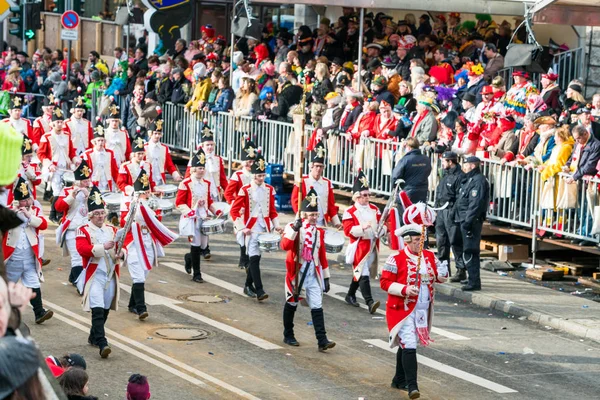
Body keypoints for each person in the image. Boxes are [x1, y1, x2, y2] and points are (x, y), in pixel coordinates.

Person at [380, 218, 448, 398]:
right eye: (417, 240)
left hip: (421, 310)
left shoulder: (429, 256)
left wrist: (443, 272)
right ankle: (412, 387)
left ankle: (398, 379)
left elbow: (439, 279)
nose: (420, 243)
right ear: (407, 240)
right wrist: (404, 289)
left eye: (421, 239)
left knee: (407, 343)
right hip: (402, 309)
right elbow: (385, 282)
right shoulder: (396, 258)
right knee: (409, 343)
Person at [280, 188, 335, 351]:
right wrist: (294, 230)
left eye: (316, 215)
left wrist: (326, 276)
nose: (314, 218)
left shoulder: (319, 232)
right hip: (296, 274)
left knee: (317, 306)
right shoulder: (293, 227)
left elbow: (322, 255)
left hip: (313, 275)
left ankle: (322, 339)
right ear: (304, 214)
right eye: (311, 215)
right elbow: (285, 246)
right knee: (292, 303)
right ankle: (288, 334)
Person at [122, 169, 178, 320]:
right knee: (138, 276)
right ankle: (141, 308)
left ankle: (132, 304)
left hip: (148, 241)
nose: (147, 194)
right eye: (144, 192)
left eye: (147, 191)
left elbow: (157, 221)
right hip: (134, 242)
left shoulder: (151, 203)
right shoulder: (130, 204)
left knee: (143, 275)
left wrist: (154, 207)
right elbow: (123, 222)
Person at [230, 152, 283, 300]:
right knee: (253, 257)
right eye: (259, 176)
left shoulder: (270, 189)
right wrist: (242, 227)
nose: (262, 178)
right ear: (253, 176)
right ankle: (259, 290)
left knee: (256, 258)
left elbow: (272, 211)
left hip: (263, 228)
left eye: (263, 175)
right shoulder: (245, 189)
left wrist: (277, 226)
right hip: (250, 228)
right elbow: (234, 210)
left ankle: (248, 285)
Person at [76, 186, 120, 358]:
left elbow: (120, 250)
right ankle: (102, 343)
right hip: (94, 275)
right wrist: (103, 247)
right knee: (98, 308)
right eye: (97, 214)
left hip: (110, 275)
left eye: (102, 213)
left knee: (106, 307)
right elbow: (82, 249)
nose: (101, 216)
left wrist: (121, 253)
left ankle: (94, 336)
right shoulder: (84, 229)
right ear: (91, 215)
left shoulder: (112, 230)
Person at [3, 177, 53, 324]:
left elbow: (43, 225)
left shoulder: (35, 210)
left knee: (34, 284)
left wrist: (29, 215)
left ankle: (39, 312)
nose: (26, 203)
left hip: (30, 257)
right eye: (23, 200)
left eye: (27, 199)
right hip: (13, 258)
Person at [175, 149, 223, 282]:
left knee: (203, 246)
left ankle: (189, 258)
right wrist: (190, 212)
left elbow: (209, 201)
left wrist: (216, 211)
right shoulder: (185, 183)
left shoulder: (206, 184)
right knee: (195, 245)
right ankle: (197, 274)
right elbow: (179, 203)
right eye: (199, 168)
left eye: (203, 168)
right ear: (193, 169)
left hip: (204, 217)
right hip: (192, 219)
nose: (201, 170)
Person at [342, 171, 383, 314]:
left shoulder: (375, 209)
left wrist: (381, 231)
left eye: (368, 195)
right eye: (364, 195)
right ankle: (370, 302)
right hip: (359, 246)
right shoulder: (350, 211)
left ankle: (350, 294)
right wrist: (361, 228)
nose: (367, 198)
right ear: (357, 196)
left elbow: (382, 226)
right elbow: (347, 231)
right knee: (363, 272)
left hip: (372, 245)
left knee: (358, 272)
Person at [55, 160, 93, 287]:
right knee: (76, 257)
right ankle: (79, 284)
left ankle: (73, 277)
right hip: (72, 228)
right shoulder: (67, 190)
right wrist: (71, 196)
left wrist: (90, 198)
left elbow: (99, 210)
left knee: (86, 255)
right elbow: (58, 207)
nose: (87, 183)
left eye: (88, 180)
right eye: (84, 181)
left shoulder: (93, 191)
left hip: (88, 229)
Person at [455, 156, 489, 291]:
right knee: (467, 250)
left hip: (471, 221)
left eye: (466, 164)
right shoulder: (469, 179)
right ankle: (471, 278)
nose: (464, 166)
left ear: (473, 165)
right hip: (464, 219)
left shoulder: (478, 181)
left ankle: (474, 281)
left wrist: (468, 221)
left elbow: (475, 204)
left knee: (470, 250)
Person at [37, 107, 77, 223]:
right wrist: (49, 165)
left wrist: (75, 160)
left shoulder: (67, 135)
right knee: (57, 191)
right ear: (52, 124)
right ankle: (54, 213)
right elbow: (41, 153)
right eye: (57, 122)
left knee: (65, 190)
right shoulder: (46, 137)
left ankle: (58, 213)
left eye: (61, 122)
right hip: (53, 168)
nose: (59, 124)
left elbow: (71, 152)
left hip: (66, 167)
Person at [291, 141, 341, 228]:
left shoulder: (327, 183)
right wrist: (302, 217)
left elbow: (331, 205)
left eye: (321, 166)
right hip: (305, 222)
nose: (318, 169)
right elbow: (295, 202)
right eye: (316, 166)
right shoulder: (302, 181)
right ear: (311, 166)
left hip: (322, 223)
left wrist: (337, 222)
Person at [224, 138, 257, 270]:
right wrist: (236, 205)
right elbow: (228, 193)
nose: (250, 164)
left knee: (251, 234)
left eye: (252, 161)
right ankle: (243, 257)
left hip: (253, 210)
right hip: (241, 210)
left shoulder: (257, 175)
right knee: (241, 234)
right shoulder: (237, 175)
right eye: (248, 161)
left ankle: (248, 257)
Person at [434, 152, 465, 281]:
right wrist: (436, 207)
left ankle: (461, 269)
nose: (443, 163)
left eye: (444, 161)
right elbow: (440, 191)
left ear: (450, 162)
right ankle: (443, 268)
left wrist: (453, 212)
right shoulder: (445, 174)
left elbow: (460, 197)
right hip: (441, 210)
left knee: (454, 241)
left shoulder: (460, 176)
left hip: (451, 210)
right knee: (441, 240)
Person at [392, 137, 432, 203]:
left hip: (407, 192)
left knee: (405, 212)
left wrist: (394, 188)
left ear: (409, 147)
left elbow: (395, 176)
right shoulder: (426, 159)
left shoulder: (405, 160)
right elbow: (428, 171)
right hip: (423, 192)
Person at [144, 118, 182, 187]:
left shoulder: (165, 148)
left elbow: (169, 164)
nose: (157, 136)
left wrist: (176, 175)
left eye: (159, 134)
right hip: (147, 180)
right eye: (155, 133)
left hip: (160, 180)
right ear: (150, 134)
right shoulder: (144, 147)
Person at [82, 124, 120, 193]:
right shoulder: (87, 154)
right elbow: (85, 171)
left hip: (107, 183)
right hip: (93, 183)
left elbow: (114, 169)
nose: (100, 143)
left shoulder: (110, 153)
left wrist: (118, 182)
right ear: (94, 142)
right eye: (99, 140)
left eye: (102, 140)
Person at [104, 101, 132, 166]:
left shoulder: (124, 133)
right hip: (108, 163)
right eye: (112, 121)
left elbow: (128, 151)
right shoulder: (104, 133)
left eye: (116, 121)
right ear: (109, 121)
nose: (114, 123)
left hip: (122, 163)